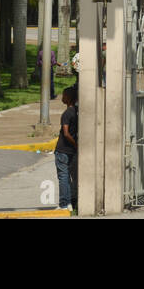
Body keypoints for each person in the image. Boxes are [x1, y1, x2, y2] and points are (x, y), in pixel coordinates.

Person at [55, 84, 79, 212]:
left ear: (69, 98)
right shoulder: (76, 112)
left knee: (63, 177)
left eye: (64, 95)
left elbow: (66, 133)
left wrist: (74, 143)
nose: (62, 97)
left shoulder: (66, 114)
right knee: (70, 177)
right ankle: (70, 202)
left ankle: (64, 203)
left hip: (63, 149)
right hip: (71, 151)